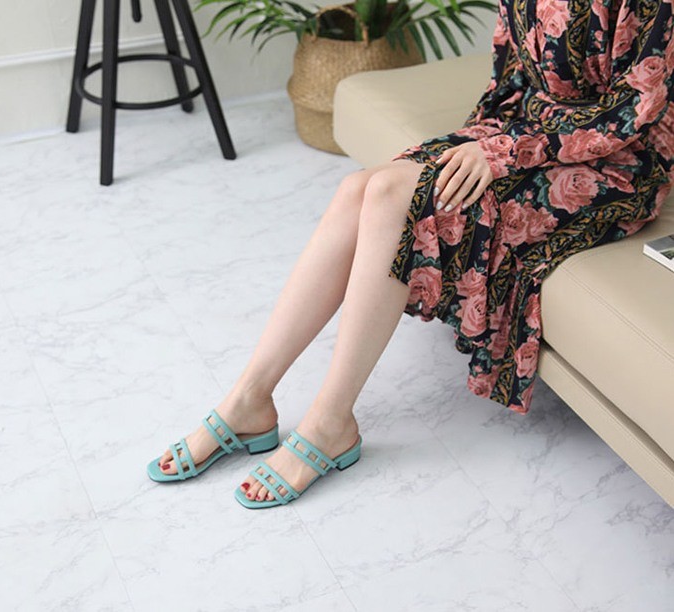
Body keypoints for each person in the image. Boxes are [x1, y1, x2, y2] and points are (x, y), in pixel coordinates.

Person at [147, 0, 674, 508]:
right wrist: (475, 141)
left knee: (393, 197)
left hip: (619, 162)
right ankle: (249, 399)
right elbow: (510, 75)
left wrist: (501, 153)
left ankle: (331, 421)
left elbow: (638, 107)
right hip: (524, 131)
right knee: (362, 189)